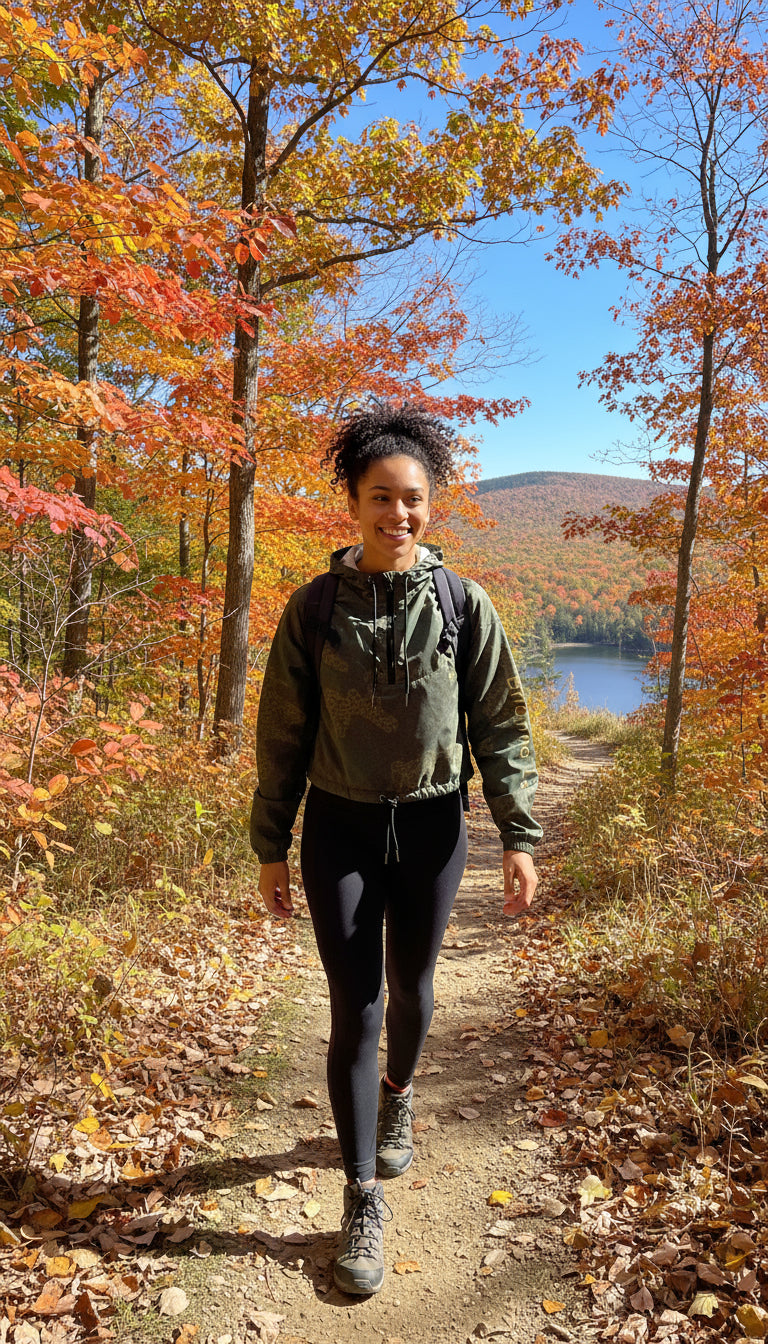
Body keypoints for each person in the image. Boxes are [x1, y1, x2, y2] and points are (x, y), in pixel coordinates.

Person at [250, 403, 541, 1297]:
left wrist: (520, 835)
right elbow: (283, 735)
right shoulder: (314, 608)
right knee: (357, 1002)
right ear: (354, 503)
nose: (397, 514)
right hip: (337, 826)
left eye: (412, 499)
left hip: (433, 827)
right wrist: (269, 843)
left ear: (430, 503)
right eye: (381, 497)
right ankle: (362, 1192)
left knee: (413, 985)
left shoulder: (463, 603)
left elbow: (501, 722)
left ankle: (400, 1098)